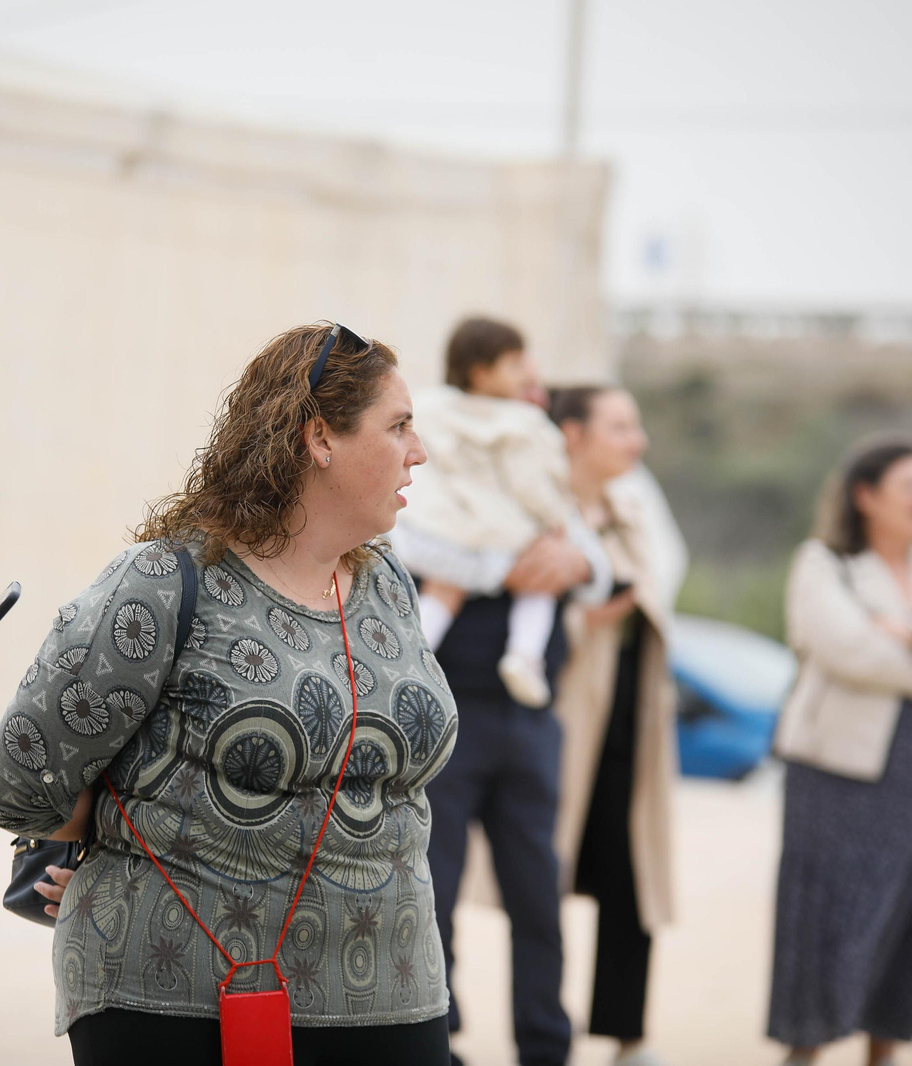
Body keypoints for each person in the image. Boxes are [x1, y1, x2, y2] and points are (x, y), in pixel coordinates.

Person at [0, 323, 455, 1065]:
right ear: (320, 439)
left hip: (397, 992)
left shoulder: (388, 583)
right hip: (186, 997)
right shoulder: (163, 581)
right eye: (398, 428)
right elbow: (17, 782)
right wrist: (131, 826)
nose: (419, 452)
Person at [415, 323, 613, 1066]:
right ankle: (441, 1040)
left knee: (539, 896)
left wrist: (561, 556)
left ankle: (545, 1044)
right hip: (449, 717)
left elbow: (596, 570)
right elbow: (412, 542)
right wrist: (507, 569)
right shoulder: (437, 457)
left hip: (531, 720)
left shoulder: (534, 470)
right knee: (433, 891)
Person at [768, 437, 912, 1066]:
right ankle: (804, 1054)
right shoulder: (822, 566)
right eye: (910, 487)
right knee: (828, 921)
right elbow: (851, 651)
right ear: (865, 496)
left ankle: (883, 1055)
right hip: (839, 777)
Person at [545, 385, 676, 1066]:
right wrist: (580, 620)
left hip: (632, 714)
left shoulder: (635, 506)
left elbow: (661, 584)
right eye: (621, 427)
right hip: (561, 716)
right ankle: (540, 1030)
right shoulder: (540, 506)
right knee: (538, 878)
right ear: (573, 434)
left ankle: (628, 1034)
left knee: (632, 876)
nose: (637, 441)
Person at [395, 317, 597, 709]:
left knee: (443, 591)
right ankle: (524, 656)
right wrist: (555, 516)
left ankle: (409, 661)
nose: (527, 375)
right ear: (482, 372)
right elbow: (531, 482)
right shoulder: (521, 421)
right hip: (505, 529)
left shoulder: (430, 406)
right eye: (517, 365)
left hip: (447, 525)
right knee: (539, 584)